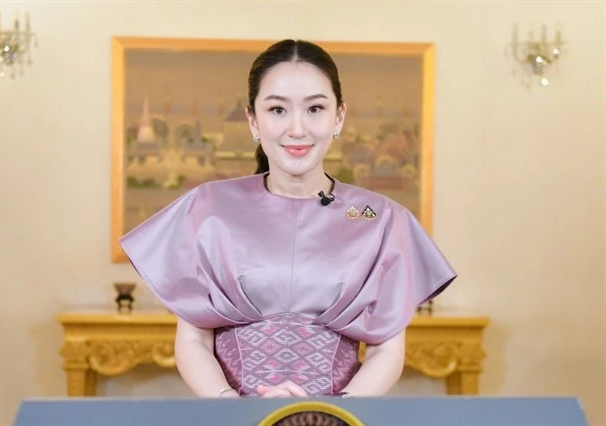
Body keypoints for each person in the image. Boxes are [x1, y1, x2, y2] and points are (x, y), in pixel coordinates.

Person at [119, 39, 457, 399]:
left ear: (338, 116)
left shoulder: (382, 219)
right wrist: (229, 405)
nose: (297, 129)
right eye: (278, 110)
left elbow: (387, 349)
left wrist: (332, 413)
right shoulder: (207, 210)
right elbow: (193, 339)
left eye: (315, 109)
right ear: (253, 119)